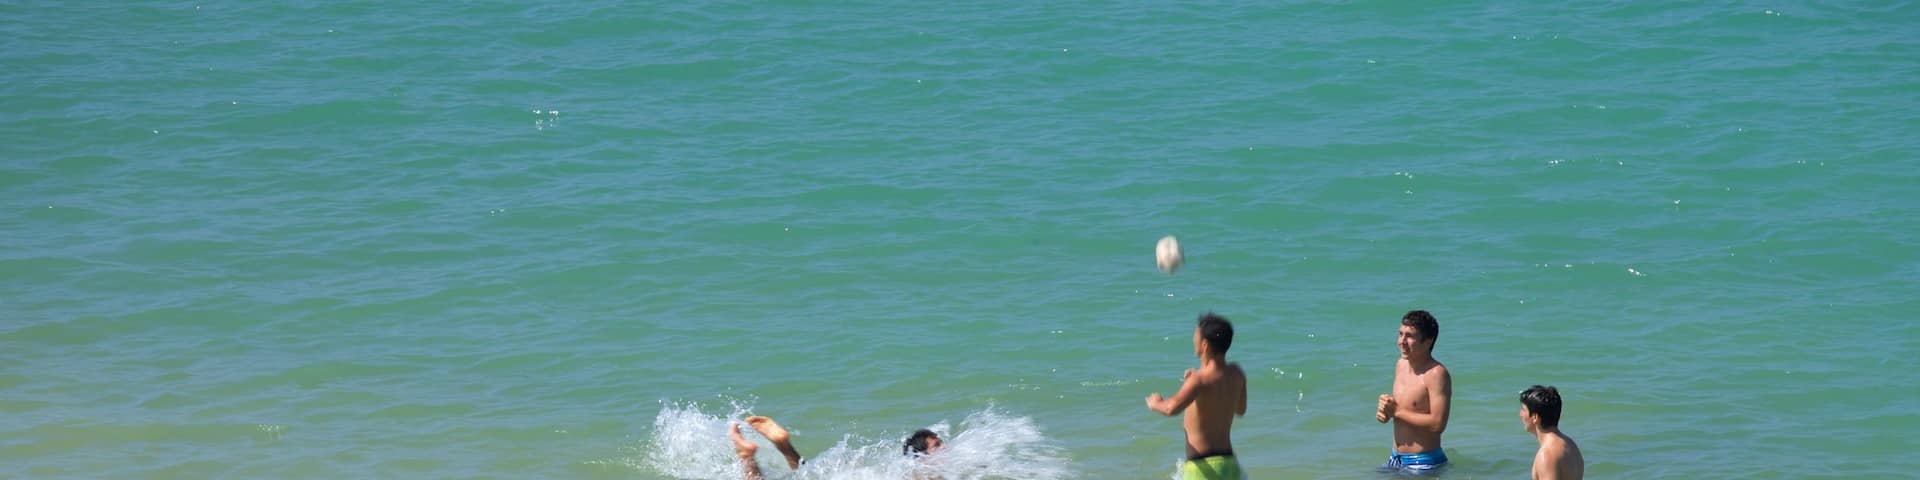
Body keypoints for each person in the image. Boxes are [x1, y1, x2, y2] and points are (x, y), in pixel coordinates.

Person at [1144, 313, 1248, 480]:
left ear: (1204, 345)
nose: (1193, 339)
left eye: (1196, 336)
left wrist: (1155, 402)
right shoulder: (1237, 373)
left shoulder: (1198, 380)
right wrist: (1200, 383)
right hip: (1229, 465)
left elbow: (1171, 408)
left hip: (1202, 468)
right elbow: (1240, 410)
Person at [729, 415, 943, 479]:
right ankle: (748, 456)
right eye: (938, 445)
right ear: (920, 456)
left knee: (807, 476)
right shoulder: (922, 473)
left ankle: (781, 447)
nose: (945, 448)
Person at [1375, 310, 1452, 473]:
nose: (1401, 341)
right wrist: (1386, 411)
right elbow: (1404, 409)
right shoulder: (1401, 364)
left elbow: (1438, 424)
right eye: (1400, 334)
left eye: (1409, 336)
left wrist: (1397, 412)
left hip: (1424, 463)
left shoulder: (1436, 374)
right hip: (1395, 459)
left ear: (1428, 341)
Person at [1519, 385, 1584, 480]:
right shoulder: (1571, 445)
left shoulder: (1546, 455)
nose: (1520, 414)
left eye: (1523, 410)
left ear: (1535, 417)